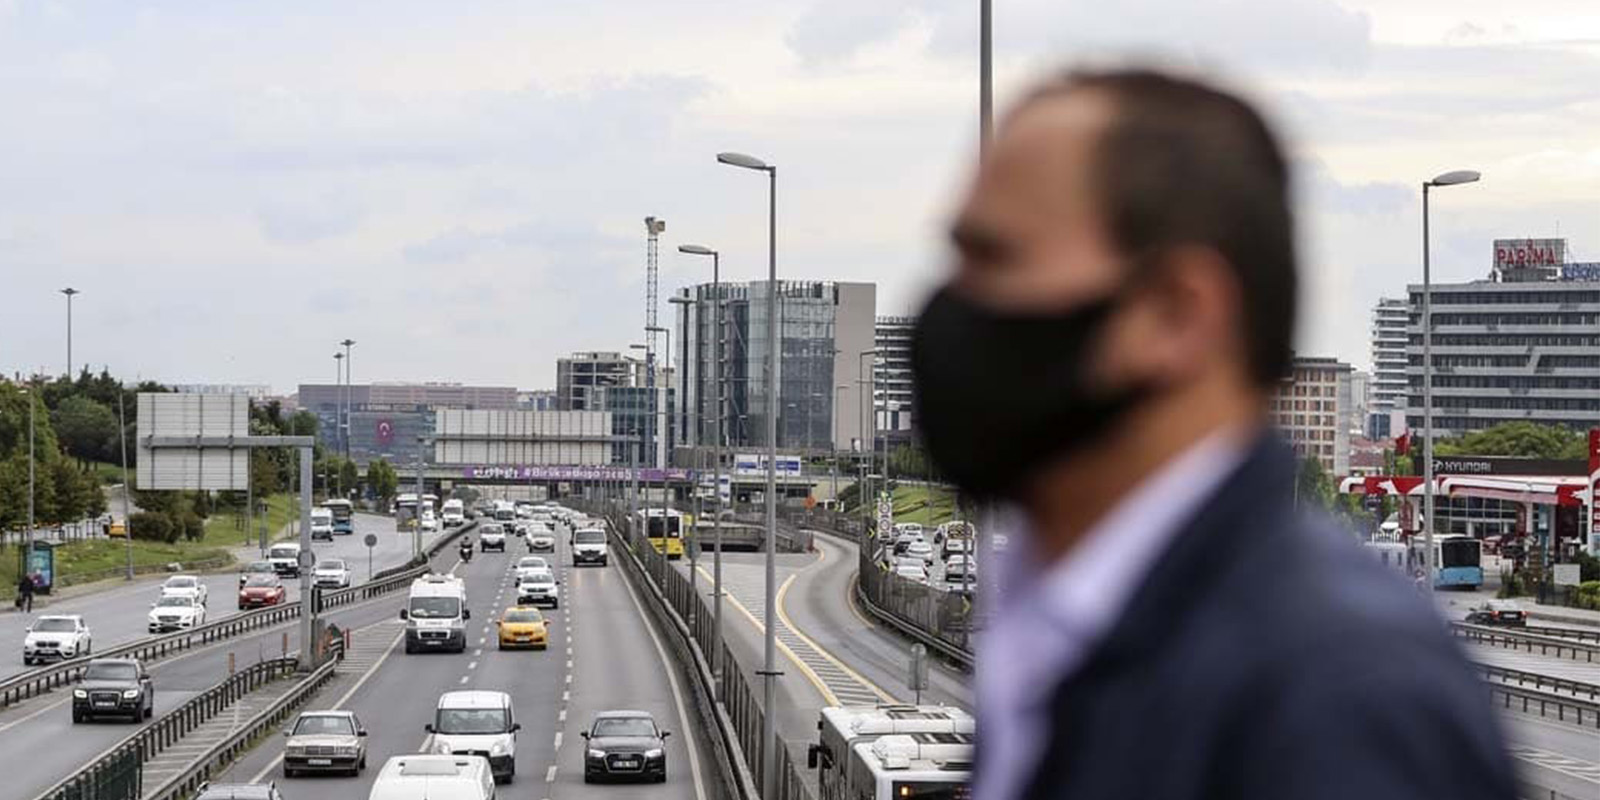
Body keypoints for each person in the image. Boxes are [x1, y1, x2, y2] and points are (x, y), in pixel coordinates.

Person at [911, 68, 1514, 800]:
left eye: (995, 259)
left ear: (1176, 313)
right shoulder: (1078, 633)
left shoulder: (1340, 698)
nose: (949, 308)